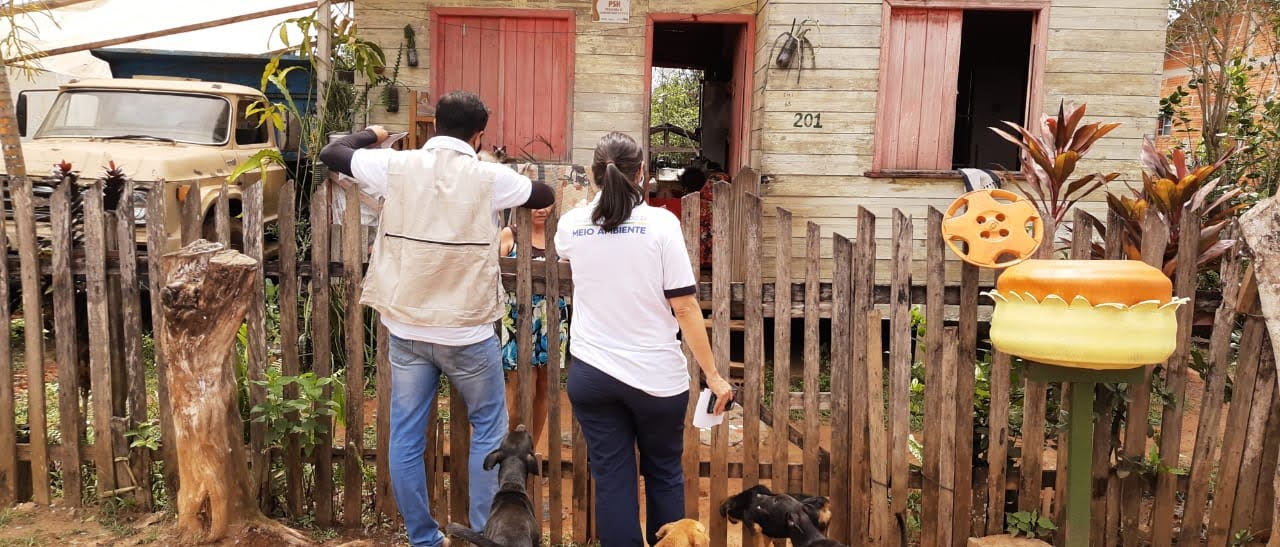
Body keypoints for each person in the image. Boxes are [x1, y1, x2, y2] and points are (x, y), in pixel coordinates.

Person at [317, 90, 555, 547]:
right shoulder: (488, 177)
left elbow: (333, 153)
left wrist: (377, 134)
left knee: (406, 435)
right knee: (488, 425)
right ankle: (491, 534)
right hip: (466, 329)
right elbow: (541, 193)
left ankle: (425, 538)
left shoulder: (396, 166)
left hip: (406, 326)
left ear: (433, 126)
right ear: (480, 133)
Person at [554, 132, 733, 547]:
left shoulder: (573, 224)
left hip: (592, 375)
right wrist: (713, 375)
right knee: (663, 472)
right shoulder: (661, 225)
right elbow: (685, 308)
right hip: (656, 379)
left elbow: (570, 248)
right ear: (643, 173)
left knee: (612, 480)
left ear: (593, 176)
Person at [497, 204, 569, 445]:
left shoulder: (561, 238)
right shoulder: (510, 235)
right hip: (517, 319)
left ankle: (530, 448)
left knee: (546, 387)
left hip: (553, 318)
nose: (541, 210)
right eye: (534, 205)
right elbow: (492, 270)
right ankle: (508, 448)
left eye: (546, 205)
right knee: (520, 387)